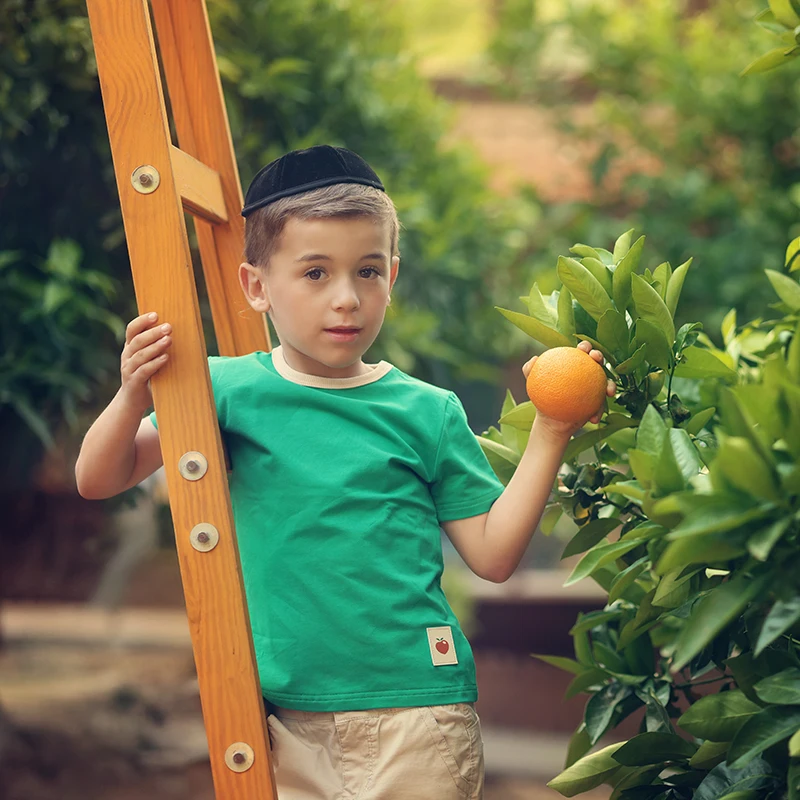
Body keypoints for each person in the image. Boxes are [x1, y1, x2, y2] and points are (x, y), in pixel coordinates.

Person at [75, 145, 615, 799]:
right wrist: (133, 392)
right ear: (257, 287)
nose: (346, 299)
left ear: (392, 274)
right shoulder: (223, 390)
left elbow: (495, 555)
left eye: (366, 272)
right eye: (315, 274)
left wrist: (552, 430)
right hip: (286, 723)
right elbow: (99, 477)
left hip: (418, 714)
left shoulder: (427, 411)